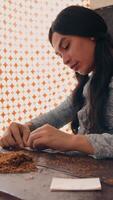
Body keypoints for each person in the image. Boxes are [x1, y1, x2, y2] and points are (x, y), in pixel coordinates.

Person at [1, 5, 113, 159]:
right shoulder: (90, 84)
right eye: (60, 55)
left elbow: (73, 140)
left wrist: (73, 141)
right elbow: (58, 115)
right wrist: (24, 128)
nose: (65, 60)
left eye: (66, 46)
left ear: (90, 34)